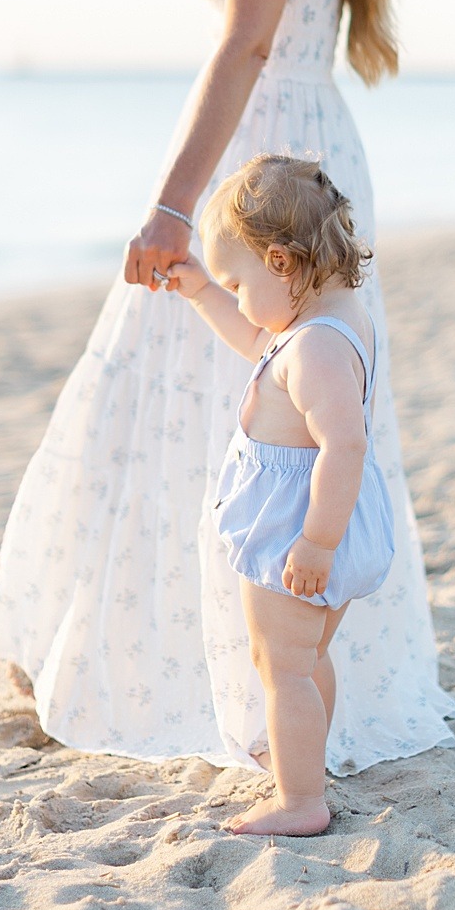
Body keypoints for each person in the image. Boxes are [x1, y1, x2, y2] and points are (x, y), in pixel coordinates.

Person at [0, 0, 455, 773]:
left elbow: (245, 45)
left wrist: (169, 207)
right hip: (284, 144)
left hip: (273, 162)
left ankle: (254, 660)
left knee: (245, 398)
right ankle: (177, 650)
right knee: (186, 389)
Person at [161, 156, 394, 838]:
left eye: (238, 281)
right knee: (304, 656)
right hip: (319, 521)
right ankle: (304, 765)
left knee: (281, 665)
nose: (235, 297)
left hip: (303, 524)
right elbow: (257, 338)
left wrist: (316, 542)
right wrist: (203, 290)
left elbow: (343, 446)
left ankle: (299, 800)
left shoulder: (317, 347)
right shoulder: (326, 317)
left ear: (282, 261)